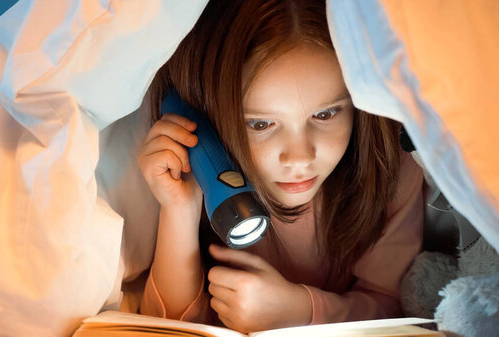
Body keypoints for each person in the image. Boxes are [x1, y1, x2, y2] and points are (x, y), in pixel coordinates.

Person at [136, 0, 423, 333]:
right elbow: (165, 328)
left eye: (326, 114)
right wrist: (179, 210)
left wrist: (301, 311)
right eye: (260, 124)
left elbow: (397, 308)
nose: (300, 158)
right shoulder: (200, 172)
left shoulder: (390, 165)